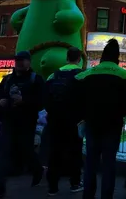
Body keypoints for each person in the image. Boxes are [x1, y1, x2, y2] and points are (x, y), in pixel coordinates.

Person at [75, 39, 126, 199]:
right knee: (108, 164)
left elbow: (79, 95)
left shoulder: (91, 73)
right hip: (112, 126)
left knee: (90, 163)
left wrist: (83, 116)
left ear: (102, 55)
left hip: (92, 125)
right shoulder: (122, 74)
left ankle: (88, 195)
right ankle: (106, 195)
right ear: (117, 56)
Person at [0, 51, 45, 199]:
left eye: (24, 60)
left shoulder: (36, 79)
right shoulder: (8, 79)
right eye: (18, 60)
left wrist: (24, 102)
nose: (20, 63)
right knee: (5, 152)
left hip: (26, 123)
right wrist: (0, 102)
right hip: (9, 121)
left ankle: (37, 169)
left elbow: (42, 101)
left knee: (27, 151)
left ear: (29, 62)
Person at [44, 47, 85, 195]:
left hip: (55, 121)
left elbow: (46, 99)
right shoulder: (82, 75)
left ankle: (52, 187)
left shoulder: (53, 76)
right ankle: (75, 183)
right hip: (74, 122)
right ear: (79, 59)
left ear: (66, 58)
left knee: (54, 153)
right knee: (75, 152)